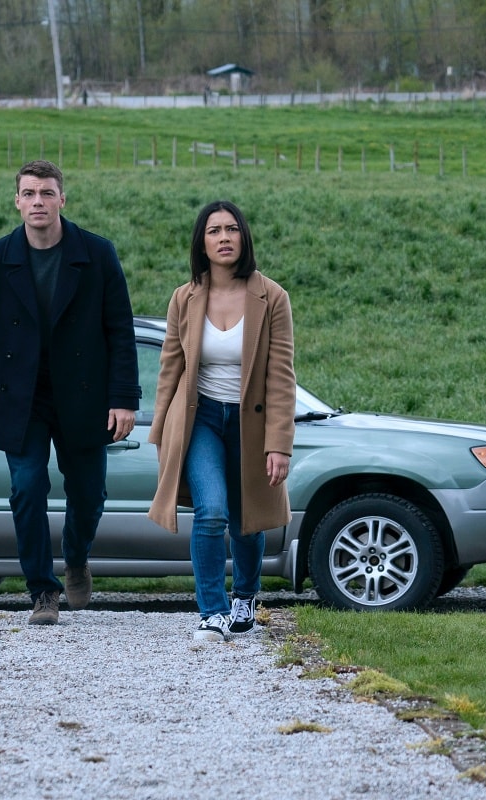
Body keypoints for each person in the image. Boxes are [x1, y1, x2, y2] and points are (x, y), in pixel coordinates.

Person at [0, 159, 141, 626]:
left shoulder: (97, 254)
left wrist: (124, 399)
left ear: (63, 198)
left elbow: (120, 331)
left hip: (83, 398)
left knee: (89, 495)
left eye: (46, 193)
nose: (37, 202)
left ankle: (76, 557)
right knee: (26, 488)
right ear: (17, 201)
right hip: (20, 398)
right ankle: (43, 590)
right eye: (29, 194)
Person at [147, 200, 296, 642]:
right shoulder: (184, 297)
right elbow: (170, 369)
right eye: (214, 231)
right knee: (211, 512)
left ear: (244, 237)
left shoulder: (272, 296)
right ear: (202, 241)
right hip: (201, 419)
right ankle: (211, 611)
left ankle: (245, 595)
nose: (224, 237)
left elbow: (281, 373)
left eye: (232, 229)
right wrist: (161, 433)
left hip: (252, 423)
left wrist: (279, 443)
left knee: (246, 519)